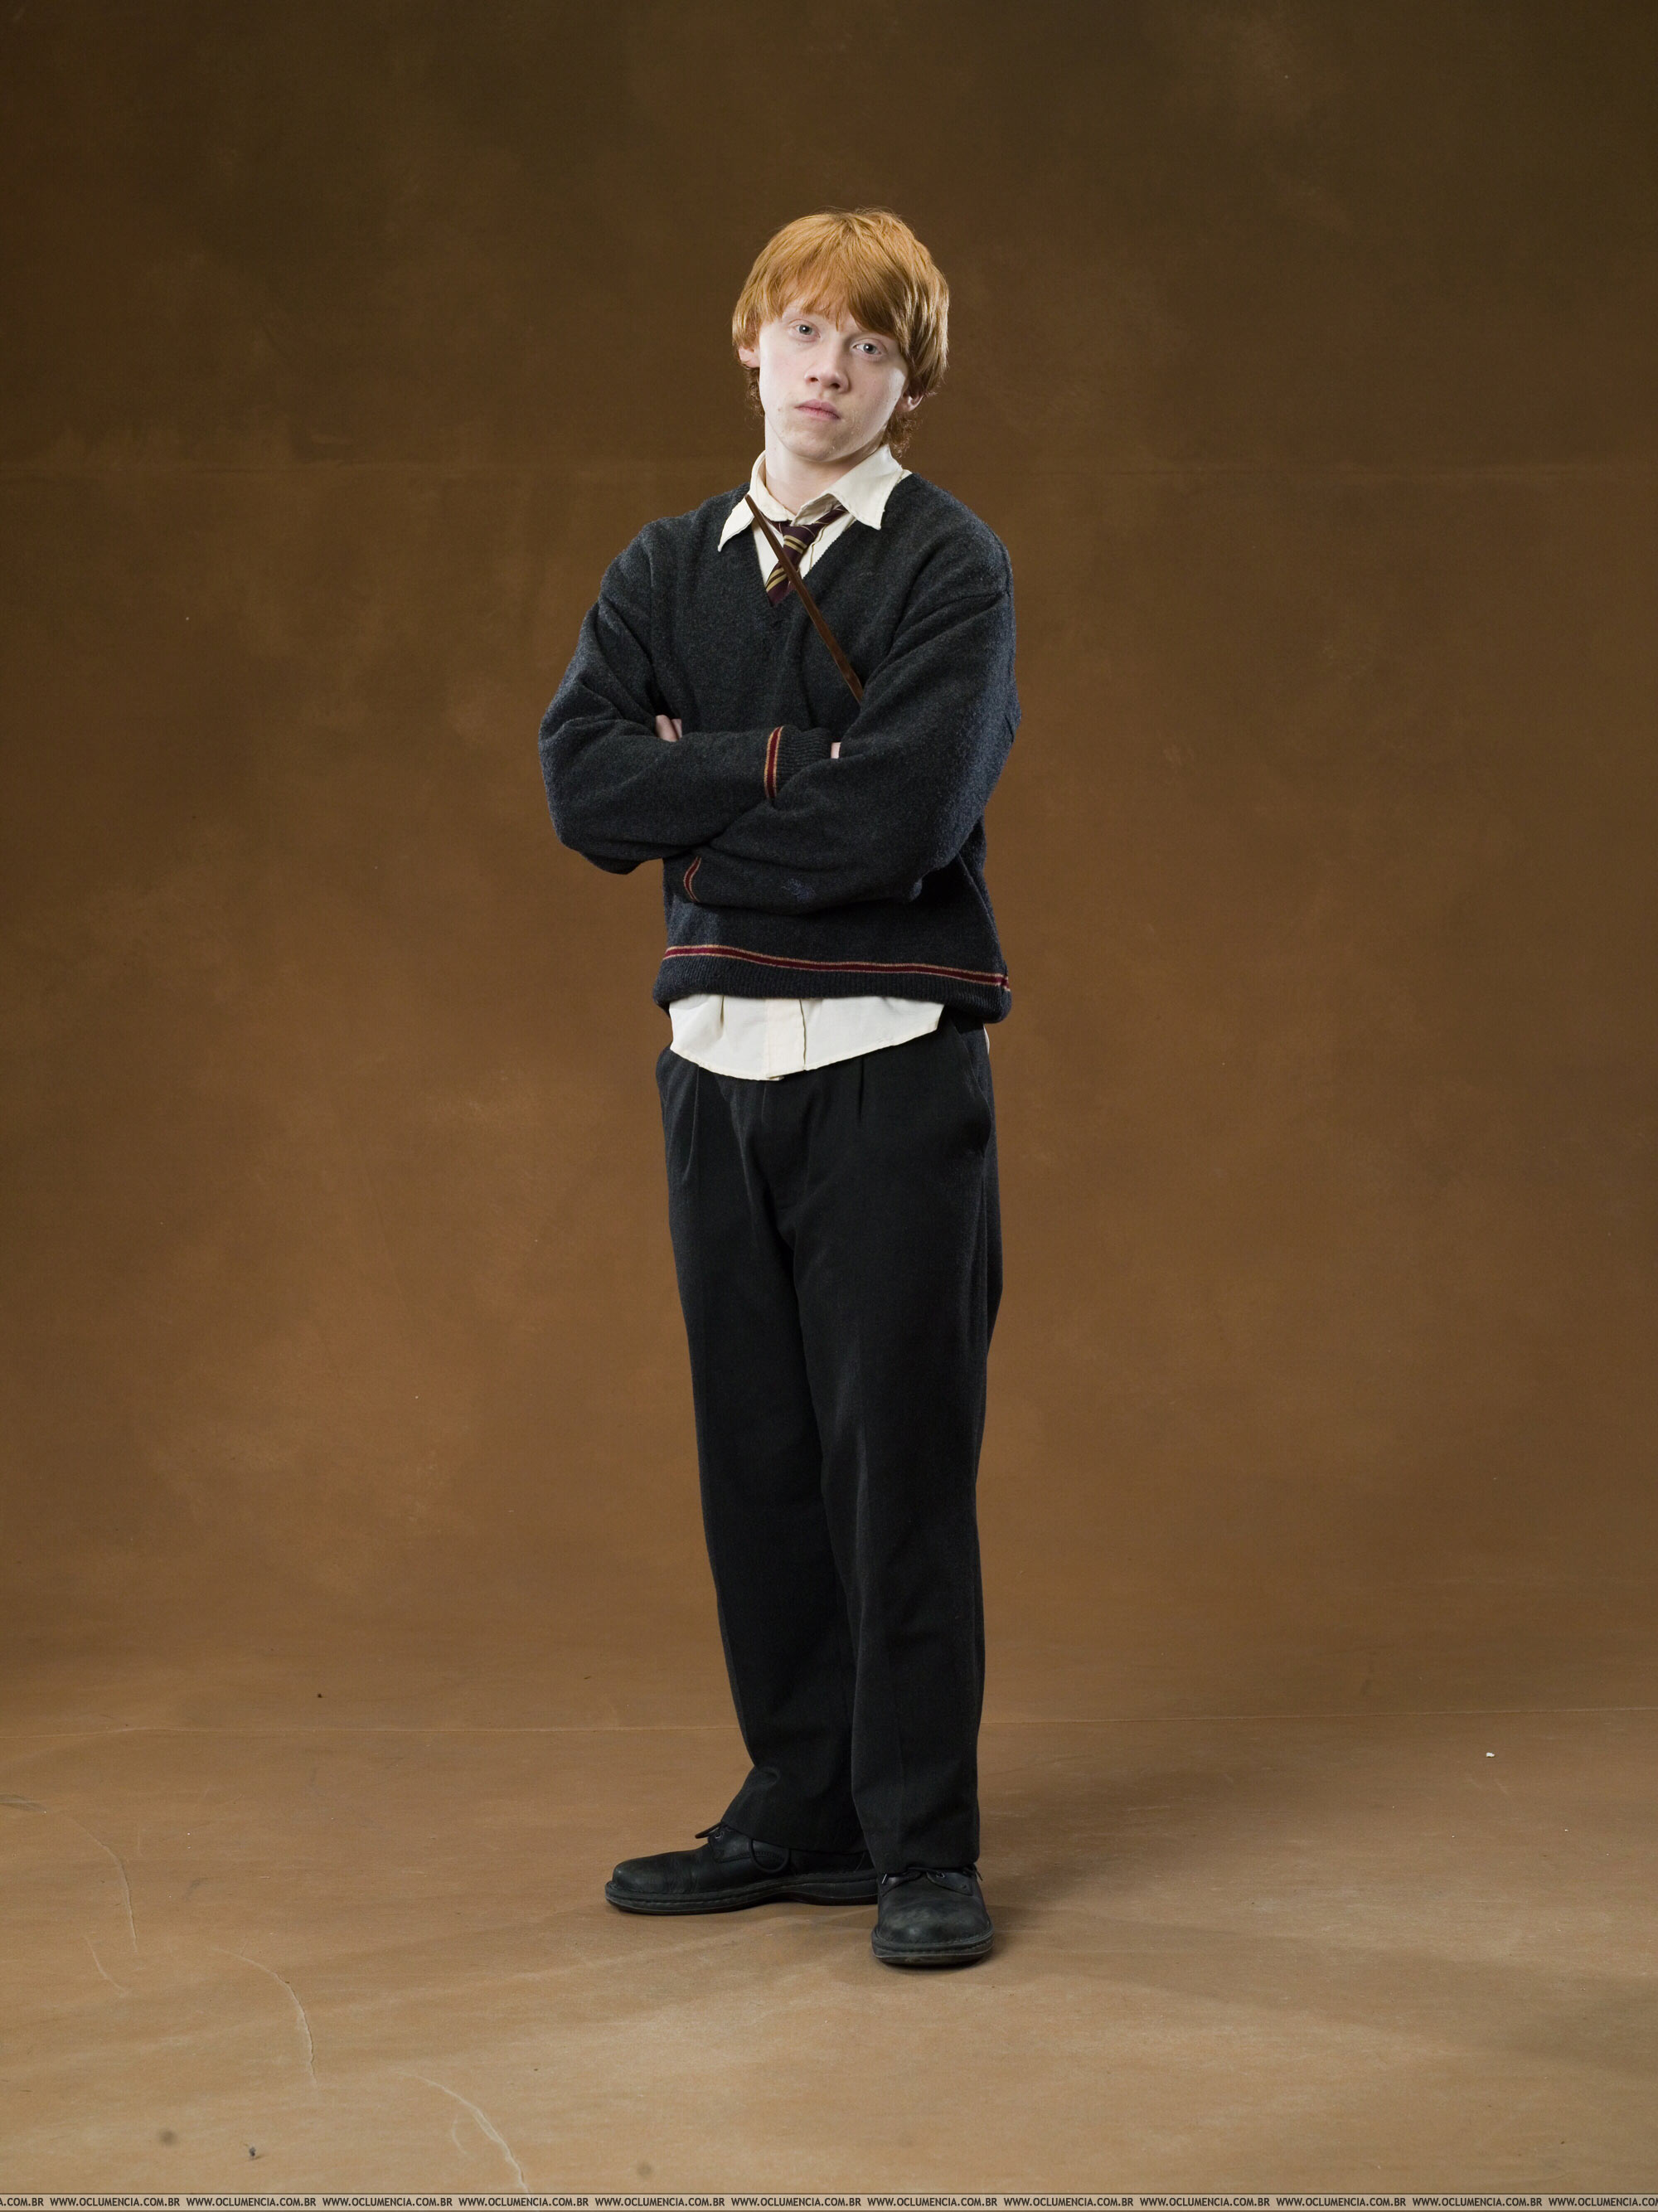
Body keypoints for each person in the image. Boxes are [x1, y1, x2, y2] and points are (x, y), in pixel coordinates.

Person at [538, 207, 1020, 1967]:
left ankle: (921, 1840)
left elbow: (911, 811)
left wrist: (702, 793)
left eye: (873, 347)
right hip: (714, 1062)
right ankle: (801, 1805)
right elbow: (582, 786)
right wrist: (790, 760)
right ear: (751, 341)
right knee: (756, 1454)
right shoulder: (663, 569)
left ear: (910, 382)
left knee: (899, 1462)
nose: (833, 370)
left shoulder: (950, 567)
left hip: (894, 1062)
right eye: (808, 332)